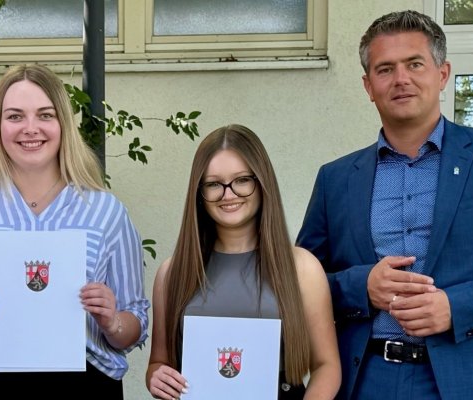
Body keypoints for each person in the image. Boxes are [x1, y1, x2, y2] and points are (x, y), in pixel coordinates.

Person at [296, 10, 473, 400]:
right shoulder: (336, 178)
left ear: (442, 74)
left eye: (415, 64)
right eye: (385, 69)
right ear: (368, 85)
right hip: (365, 380)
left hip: (472, 380)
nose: (401, 79)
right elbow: (299, 280)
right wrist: (362, 286)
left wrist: (458, 306)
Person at [0, 64, 150, 398]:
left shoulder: (106, 212)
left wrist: (113, 322)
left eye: (44, 115)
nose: (30, 128)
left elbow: (135, 321)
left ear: (63, 124)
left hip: (83, 386)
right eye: (14, 116)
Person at [146, 125, 340, 400]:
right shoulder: (172, 273)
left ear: (262, 183)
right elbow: (159, 363)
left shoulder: (303, 268)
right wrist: (157, 377)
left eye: (242, 180)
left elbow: (327, 366)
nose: (228, 194)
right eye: (213, 184)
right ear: (199, 193)